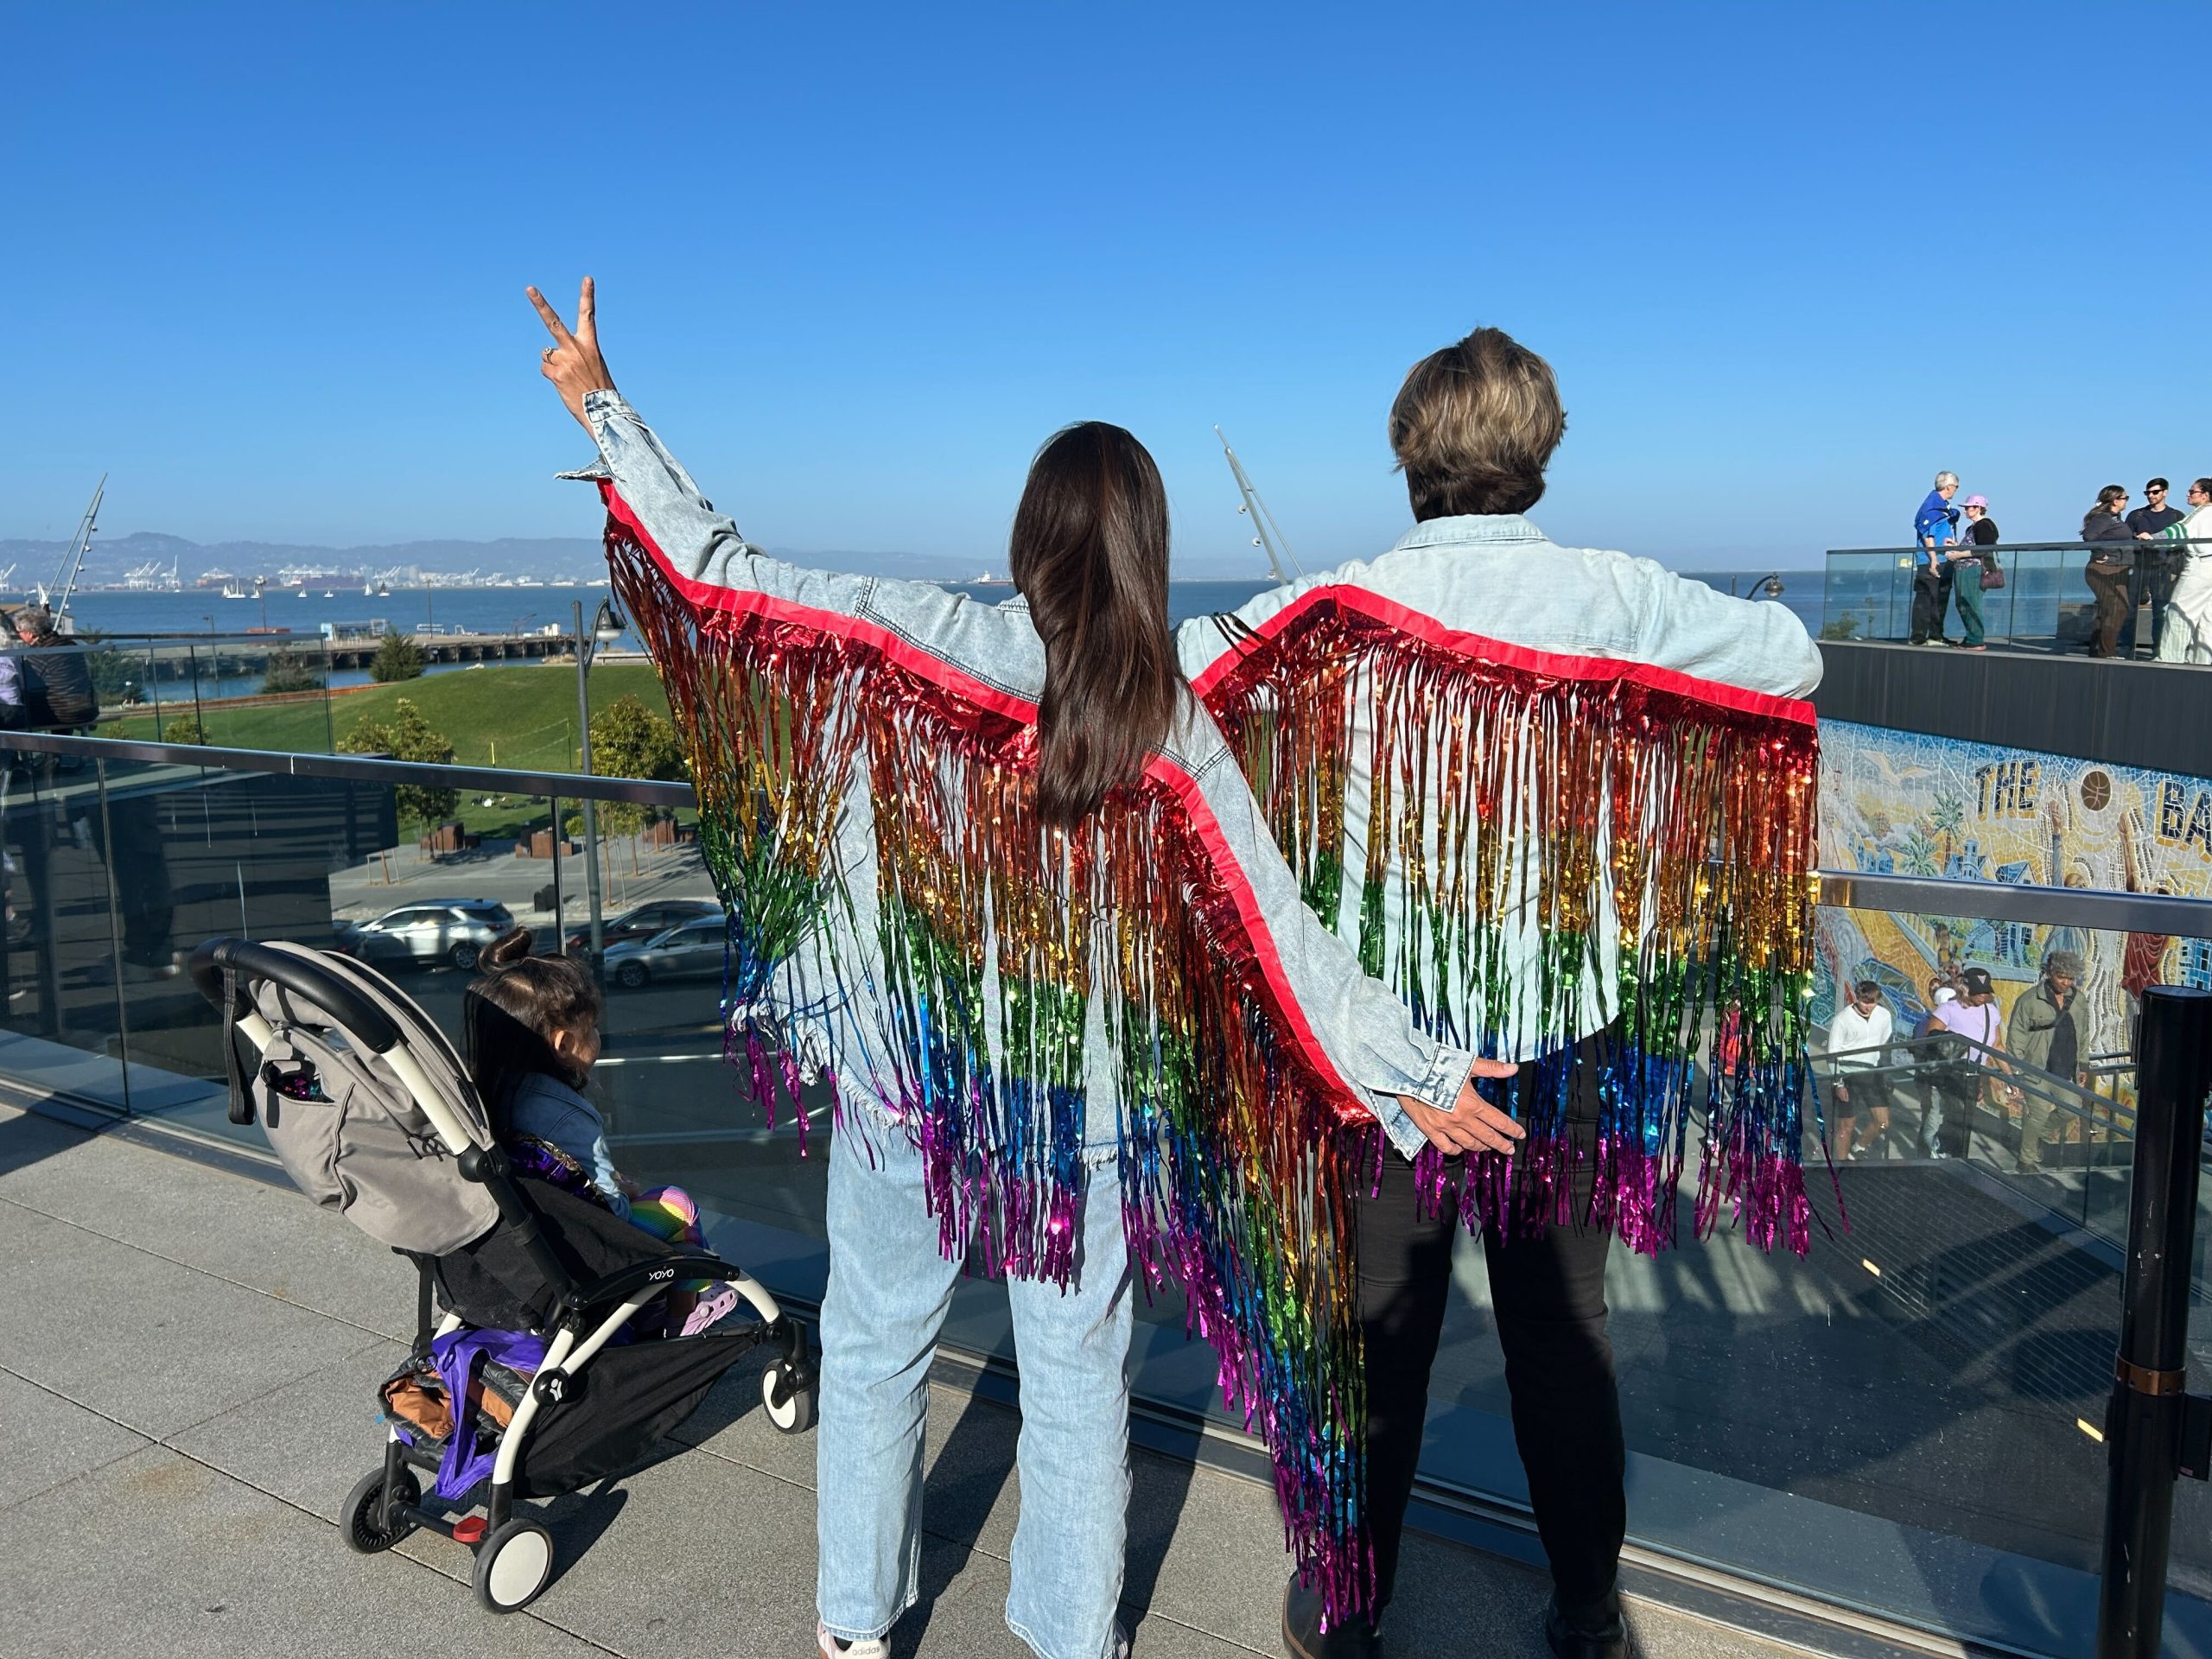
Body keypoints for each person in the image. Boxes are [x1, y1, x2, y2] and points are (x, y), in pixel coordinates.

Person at [527, 279, 1510, 1659]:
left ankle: (859, 1623)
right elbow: (1280, 931)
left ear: (1030, 540)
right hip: (1082, 1119)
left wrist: (604, 404)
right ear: (1149, 550)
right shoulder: (1166, 720)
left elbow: (720, 579)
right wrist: (1413, 1077)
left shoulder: (924, 639)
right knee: (1077, 1387)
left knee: (874, 1348)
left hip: (905, 1080)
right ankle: (1068, 1638)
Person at [1178, 326, 1823, 1659]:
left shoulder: (1334, 608)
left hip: (1391, 1056)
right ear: (1539, 453)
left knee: (1381, 1350)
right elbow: (1791, 660)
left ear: (1411, 457)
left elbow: (1183, 673)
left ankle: (1350, 1612)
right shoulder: (1620, 596)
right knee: (1563, 1346)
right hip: (1563, 1043)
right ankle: (1587, 1611)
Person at [462, 926, 735, 1333]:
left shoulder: (489, 1096)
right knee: (678, 1206)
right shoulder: (570, 1116)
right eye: (590, 1029)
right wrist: (623, 1193)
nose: (596, 1036)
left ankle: (661, 1299)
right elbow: (613, 1213)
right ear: (563, 1045)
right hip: (586, 1247)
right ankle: (683, 1313)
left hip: (527, 1243)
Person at [2005, 950, 2084, 1174]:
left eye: (2070, 978)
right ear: (2050, 972)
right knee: (2037, 1114)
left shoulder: (2079, 1000)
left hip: (2065, 1069)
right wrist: (2017, 1072)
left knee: (2070, 1110)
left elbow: (2084, 1033)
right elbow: (2016, 1037)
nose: (2065, 982)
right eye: (2061, 977)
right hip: (2036, 1069)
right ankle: (2026, 1160)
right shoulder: (2029, 1000)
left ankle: (2035, 1136)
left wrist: (2083, 1064)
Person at [1929, 966, 2006, 1159]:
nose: (1982, 996)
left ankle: (1957, 1156)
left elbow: (1997, 1046)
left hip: (1973, 1072)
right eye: (1977, 991)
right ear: (1965, 988)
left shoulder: (1991, 1012)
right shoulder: (1948, 1009)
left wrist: (2009, 1075)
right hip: (1950, 1070)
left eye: (1985, 992)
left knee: (1966, 1118)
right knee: (1957, 1113)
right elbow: (1929, 1040)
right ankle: (1941, 1147)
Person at [1826, 980, 1895, 1160]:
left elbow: (1885, 1047)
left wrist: (1887, 1075)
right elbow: (1833, 1054)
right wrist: (1838, 1083)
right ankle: (1839, 1167)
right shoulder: (1842, 1019)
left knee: (1883, 1122)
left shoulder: (1884, 1016)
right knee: (1846, 1126)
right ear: (1857, 998)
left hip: (1872, 1074)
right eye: (1865, 1002)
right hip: (1847, 1075)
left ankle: (1858, 1148)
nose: (1868, 1007)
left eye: (1873, 1002)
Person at [2145, 477, 2212, 664]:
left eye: (2192, 492)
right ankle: (2202, 660)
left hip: (2199, 566)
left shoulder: (2201, 513)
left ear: (2205, 496)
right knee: (2207, 620)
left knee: (2179, 612)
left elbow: (2178, 532)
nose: (2188, 494)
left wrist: (2152, 539)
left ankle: (2169, 658)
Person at [2125, 479, 2187, 656]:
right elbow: (2127, 541)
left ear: (2165, 492)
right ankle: (2127, 648)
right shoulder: (2136, 516)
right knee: (2130, 610)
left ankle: (2158, 650)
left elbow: (2181, 541)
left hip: (2163, 569)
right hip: (2140, 567)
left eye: (2155, 492)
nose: (2151, 496)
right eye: (2148, 493)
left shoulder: (2176, 516)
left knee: (2161, 611)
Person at [12, 605, 99, 732]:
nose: (19, 636)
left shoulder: (37, 654)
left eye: (19, 632)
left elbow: (27, 685)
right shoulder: (71, 645)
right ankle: (61, 749)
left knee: (16, 714)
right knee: (61, 696)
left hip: (63, 714)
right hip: (88, 709)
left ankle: (27, 751)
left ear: (29, 634)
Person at [2080, 486, 2137, 658]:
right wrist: (2100, 553)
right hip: (2104, 569)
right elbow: (2089, 537)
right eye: (2125, 498)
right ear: (2115, 500)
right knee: (2117, 609)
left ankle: (2098, 651)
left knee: (2108, 610)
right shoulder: (2104, 517)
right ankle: (2107, 652)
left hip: (2117, 569)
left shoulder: (2115, 519)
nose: (2127, 501)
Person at [1910, 472, 1962, 645]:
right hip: (1931, 561)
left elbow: (1939, 532)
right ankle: (1918, 637)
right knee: (1926, 598)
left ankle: (1936, 635)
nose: (1956, 490)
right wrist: (1933, 559)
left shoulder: (1943, 507)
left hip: (1945, 558)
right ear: (1948, 486)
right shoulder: (1931, 507)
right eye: (1956, 487)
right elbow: (1928, 535)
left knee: (1940, 598)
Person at [1910, 979, 1959, 1157]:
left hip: (1933, 1078)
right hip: (1933, 1079)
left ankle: (1927, 1152)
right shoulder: (1931, 1024)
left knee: (1932, 1117)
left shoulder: (1925, 1022)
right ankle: (1930, 1153)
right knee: (1933, 1117)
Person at [1952, 494, 1999, 651]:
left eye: (1968, 507)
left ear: (1978, 508)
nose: (1965, 511)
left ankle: (1976, 639)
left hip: (1973, 570)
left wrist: (1959, 554)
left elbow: (1983, 548)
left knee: (1971, 603)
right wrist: (1957, 545)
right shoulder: (1972, 527)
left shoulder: (1984, 525)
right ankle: (1971, 636)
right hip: (1965, 570)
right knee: (1963, 603)